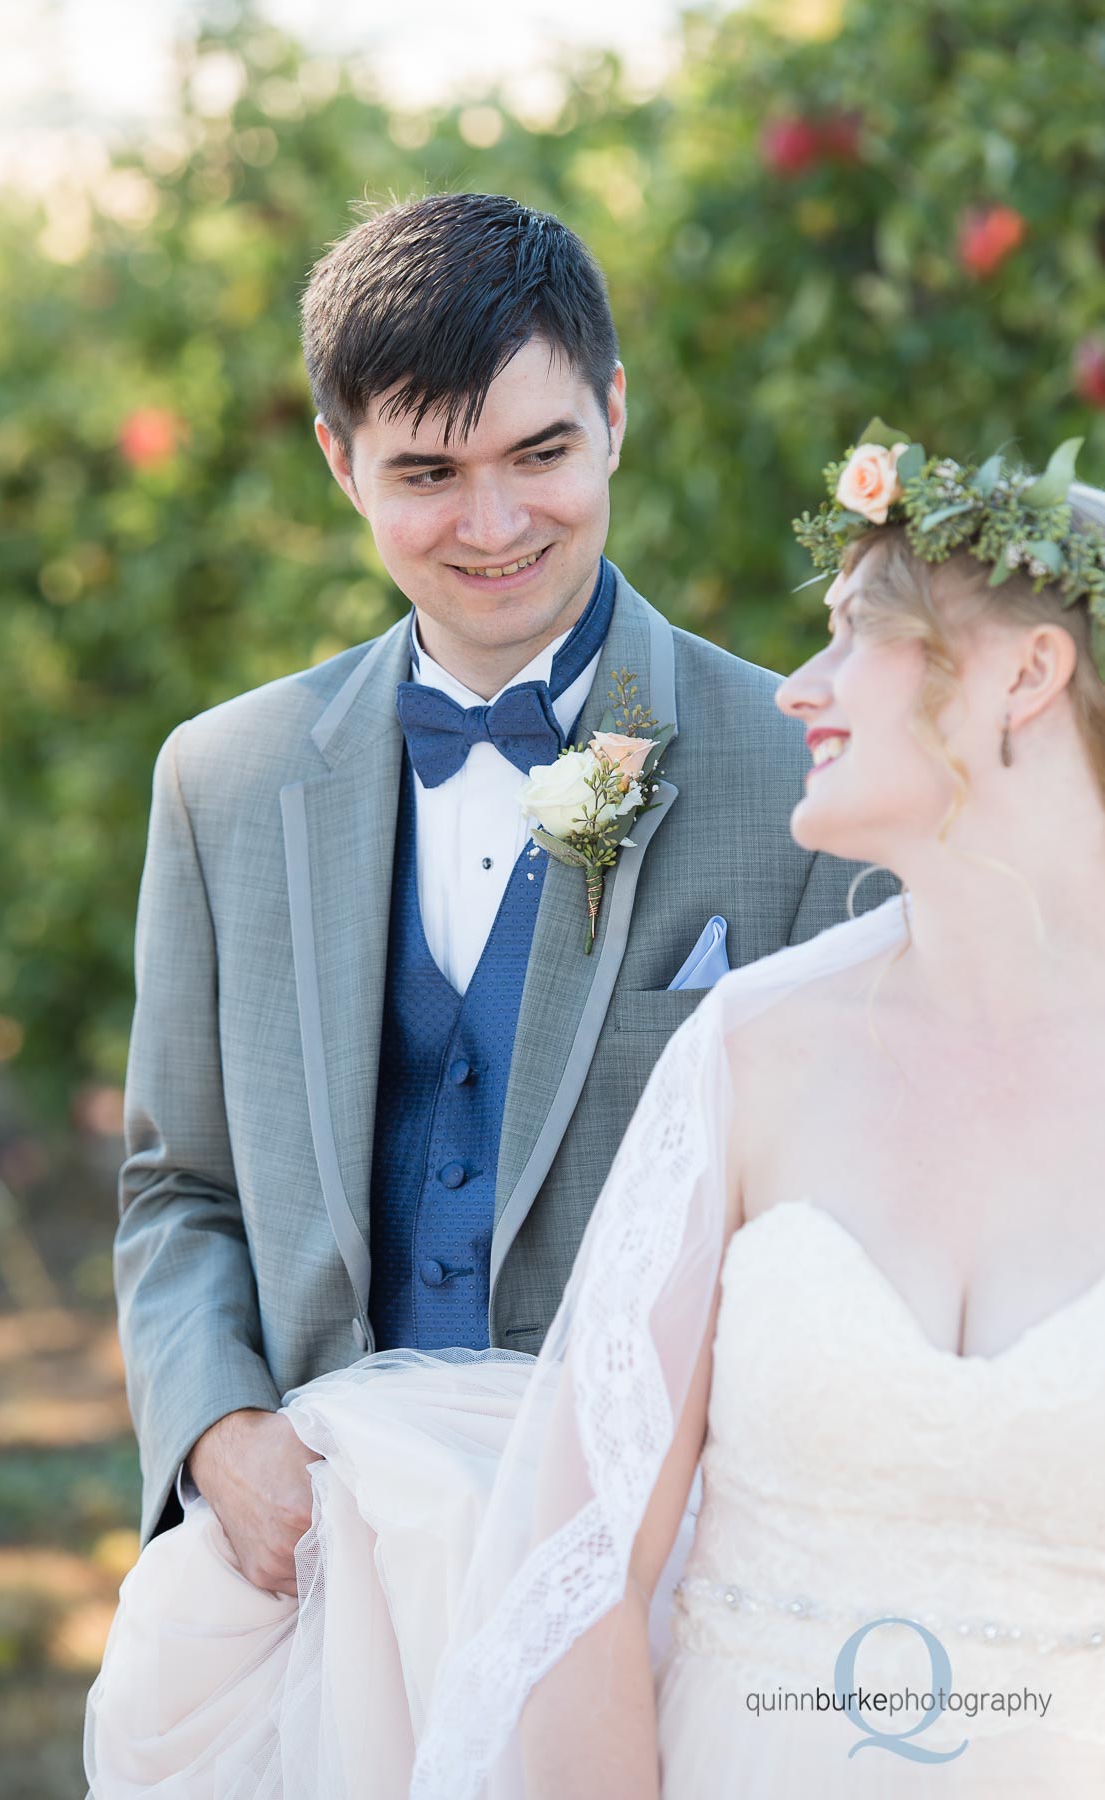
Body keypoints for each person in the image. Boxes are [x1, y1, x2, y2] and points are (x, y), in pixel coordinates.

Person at [86, 194, 874, 1790]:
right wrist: (214, 1432)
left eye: (541, 453)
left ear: (615, 415)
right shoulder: (222, 783)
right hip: (322, 1575)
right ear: (338, 461)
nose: (494, 520)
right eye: (428, 474)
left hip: (657, 1590)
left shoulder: (802, 769)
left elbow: (845, 1232)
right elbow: (179, 1186)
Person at [411, 439, 1105, 1798]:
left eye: (856, 635)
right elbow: (576, 1580)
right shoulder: (752, 1049)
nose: (799, 686)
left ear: (1026, 673)